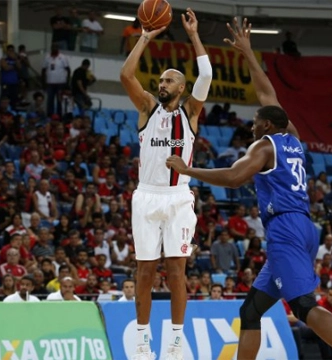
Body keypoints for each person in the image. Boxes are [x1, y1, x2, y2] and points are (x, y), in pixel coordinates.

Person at [166, 18, 332, 360]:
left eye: (255, 121)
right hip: (302, 226)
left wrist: (188, 170)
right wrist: (249, 53)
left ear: (267, 126)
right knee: (250, 311)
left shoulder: (264, 146)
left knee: (302, 304)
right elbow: (269, 94)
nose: (251, 125)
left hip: (284, 228)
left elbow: (235, 177)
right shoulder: (292, 137)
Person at [120, 8, 212, 360]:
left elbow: (207, 73)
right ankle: (142, 339)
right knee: (144, 270)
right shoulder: (146, 107)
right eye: (159, 80)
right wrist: (145, 35)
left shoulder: (190, 113)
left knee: (176, 270)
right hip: (146, 197)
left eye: (169, 81)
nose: (162, 85)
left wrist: (193, 36)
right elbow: (126, 74)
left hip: (177, 199)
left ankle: (175, 339)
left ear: (182, 87)